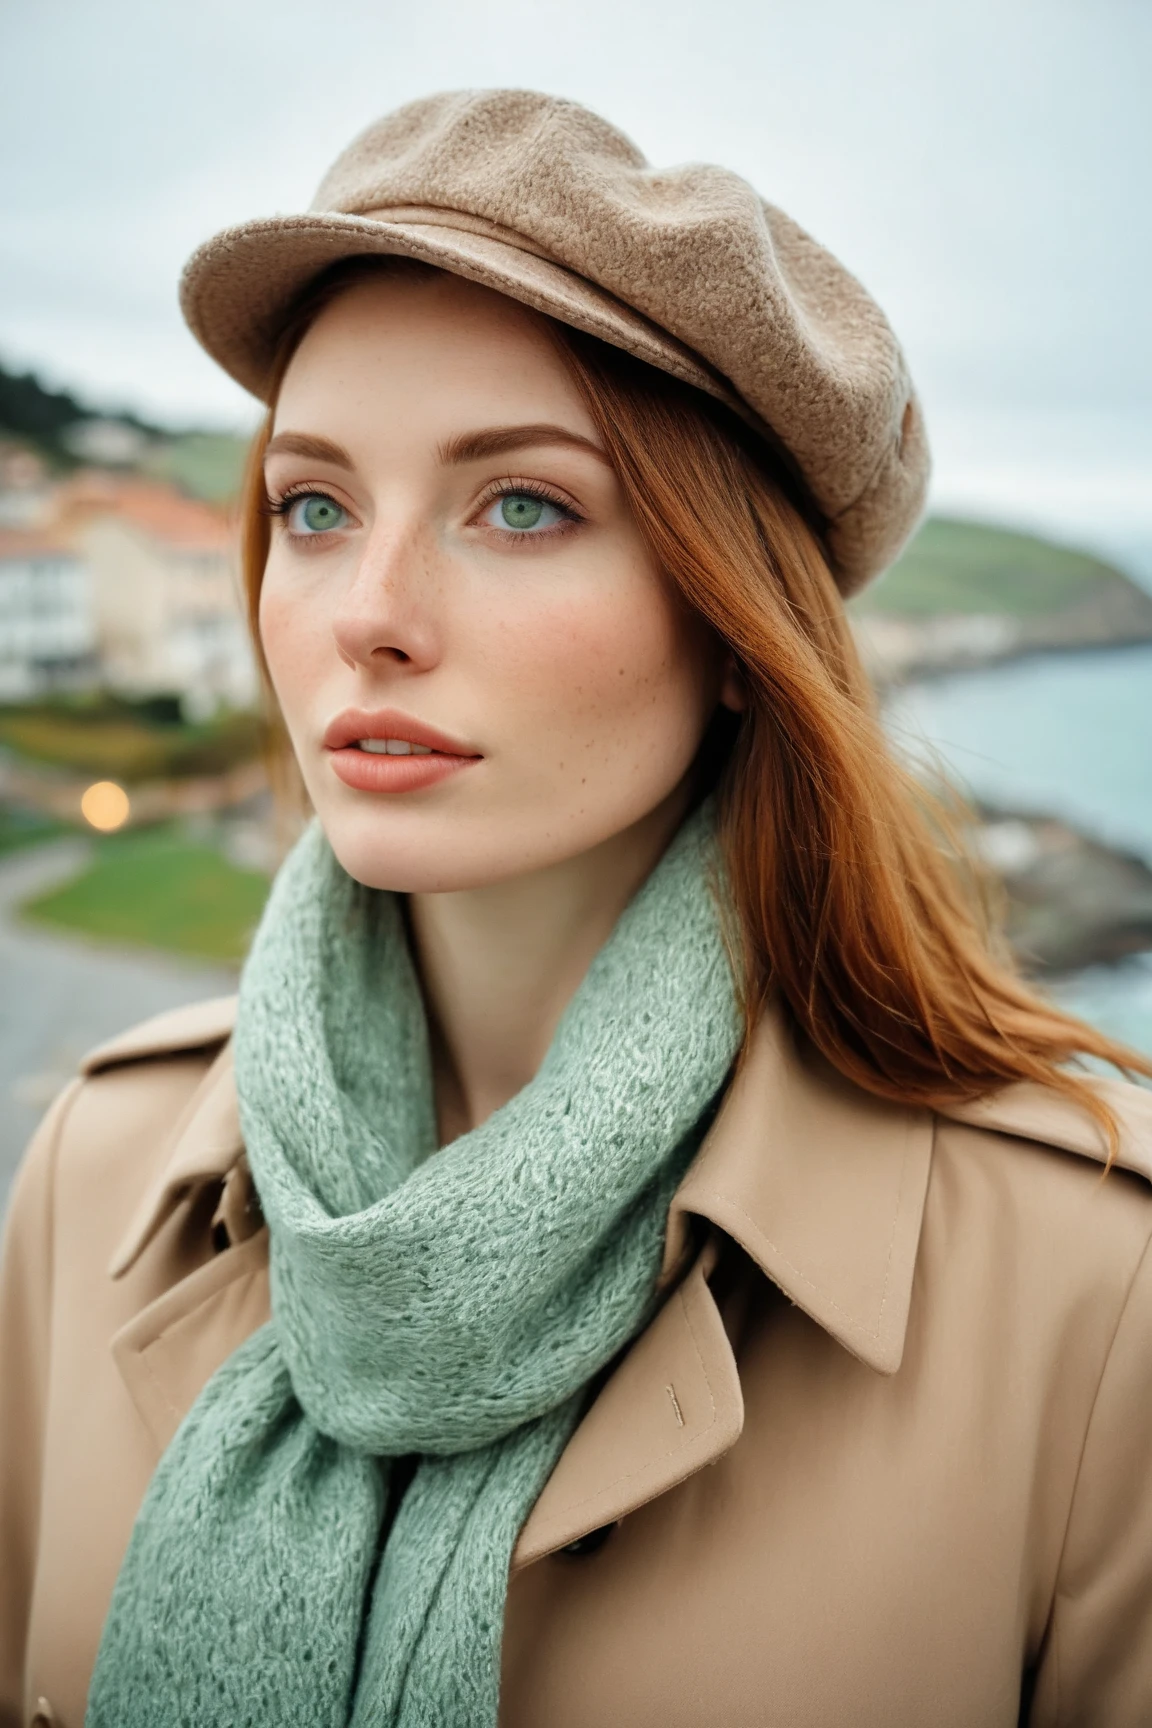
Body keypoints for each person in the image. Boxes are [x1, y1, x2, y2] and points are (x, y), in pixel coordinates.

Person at [3, 88, 1152, 1728]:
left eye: (521, 505)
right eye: (316, 507)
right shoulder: (95, 1178)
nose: (369, 618)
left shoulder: (1095, 1303)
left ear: (741, 632)